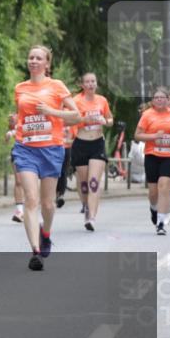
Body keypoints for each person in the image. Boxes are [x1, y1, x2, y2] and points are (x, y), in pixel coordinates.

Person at [11, 46, 79, 271]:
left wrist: (52, 112)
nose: (33, 61)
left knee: (47, 203)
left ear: (47, 64)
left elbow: (76, 115)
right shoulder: (20, 88)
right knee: (31, 199)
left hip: (51, 149)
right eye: (30, 57)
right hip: (26, 148)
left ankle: (46, 233)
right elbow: (21, 117)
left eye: (38, 58)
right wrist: (15, 127)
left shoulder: (57, 86)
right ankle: (35, 251)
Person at [70, 73, 113, 231]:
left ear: (96, 84)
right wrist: (83, 120)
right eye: (87, 82)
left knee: (93, 182)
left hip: (97, 144)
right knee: (83, 185)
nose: (90, 84)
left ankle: (91, 217)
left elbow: (110, 119)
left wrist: (105, 121)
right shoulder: (76, 101)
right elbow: (67, 120)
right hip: (80, 144)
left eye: (93, 81)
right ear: (82, 85)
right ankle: (86, 205)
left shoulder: (102, 100)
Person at [134, 87, 170, 235]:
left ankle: (161, 222)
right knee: (153, 192)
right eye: (156, 97)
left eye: (162, 97)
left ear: (167, 99)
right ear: (153, 101)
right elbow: (137, 136)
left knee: (164, 186)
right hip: (152, 155)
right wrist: (154, 137)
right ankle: (153, 208)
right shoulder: (147, 115)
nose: (159, 100)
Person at [5, 113, 25, 223]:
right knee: (18, 181)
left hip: (34, 152)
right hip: (18, 152)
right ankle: (19, 211)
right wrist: (9, 132)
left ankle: (31, 205)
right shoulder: (16, 116)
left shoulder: (37, 115)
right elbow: (13, 130)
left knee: (29, 183)